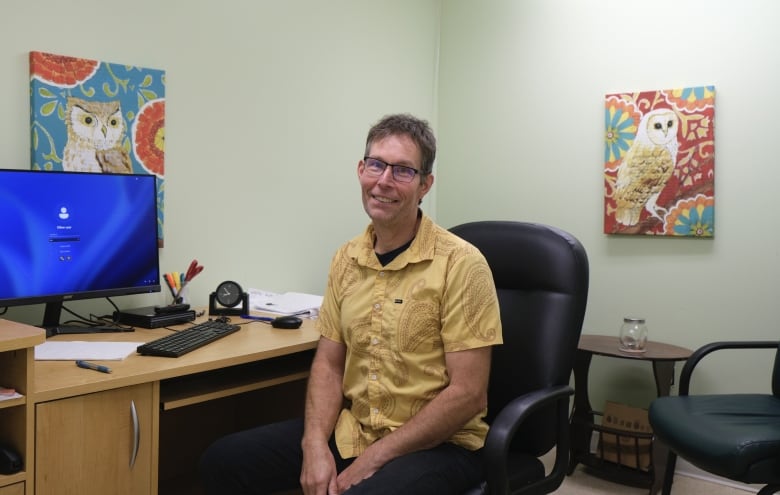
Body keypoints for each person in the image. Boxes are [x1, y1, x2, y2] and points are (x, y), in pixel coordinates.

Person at [199, 113, 503, 495]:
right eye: (376, 164)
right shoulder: (346, 259)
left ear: (426, 184)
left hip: (442, 446)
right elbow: (329, 363)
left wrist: (373, 460)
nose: (384, 181)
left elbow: (468, 393)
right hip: (355, 431)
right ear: (361, 169)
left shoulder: (461, 263)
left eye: (403, 171)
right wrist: (313, 446)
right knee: (223, 461)